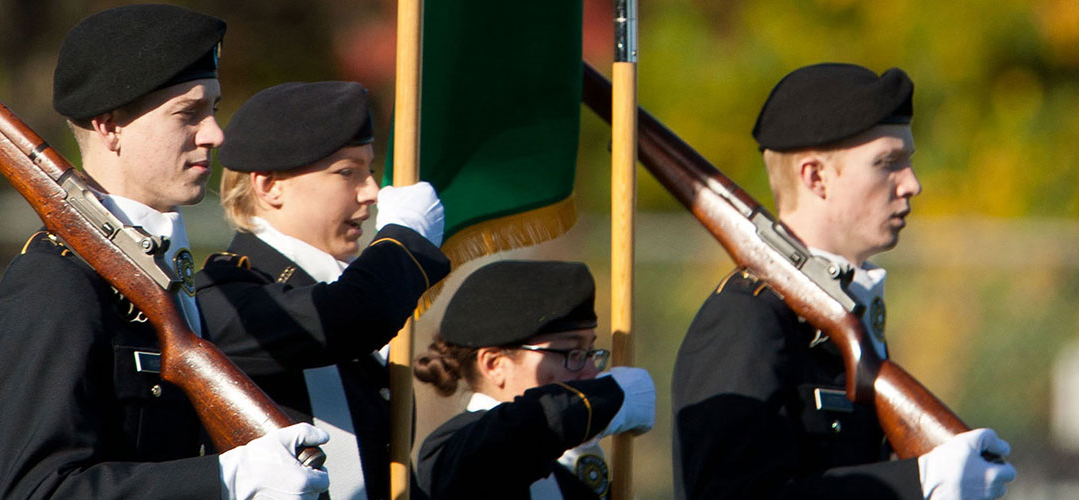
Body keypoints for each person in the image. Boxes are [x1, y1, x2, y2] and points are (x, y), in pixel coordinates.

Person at [0, 5, 328, 499]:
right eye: (188, 113)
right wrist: (226, 481)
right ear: (109, 126)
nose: (215, 134)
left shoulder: (170, 270)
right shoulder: (57, 282)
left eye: (214, 110)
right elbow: (36, 492)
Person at [671, 63, 1018, 500]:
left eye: (907, 161)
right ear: (816, 177)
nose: (912, 183)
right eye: (888, 163)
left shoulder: (846, 315)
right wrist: (916, 483)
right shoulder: (747, 316)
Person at [195, 81, 450, 500]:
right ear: (269, 186)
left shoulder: (343, 286)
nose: (371, 192)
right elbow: (346, 317)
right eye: (347, 172)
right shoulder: (226, 294)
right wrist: (405, 242)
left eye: (369, 170)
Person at [414, 260, 655, 500]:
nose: (591, 372)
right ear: (494, 365)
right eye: (573, 353)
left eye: (590, 352)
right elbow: (520, 433)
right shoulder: (455, 446)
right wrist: (607, 398)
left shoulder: (565, 458)